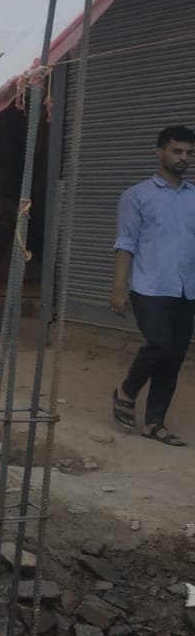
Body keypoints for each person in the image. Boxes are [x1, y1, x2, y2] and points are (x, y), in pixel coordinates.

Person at [110, 124, 195, 446]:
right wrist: (119, 287)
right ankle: (127, 390)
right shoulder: (136, 196)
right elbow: (126, 242)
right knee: (159, 344)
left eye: (189, 153)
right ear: (159, 152)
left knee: (173, 358)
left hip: (187, 290)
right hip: (149, 286)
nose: (183, 157)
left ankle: (154, 423)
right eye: (177, 151)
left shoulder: (194, 197)